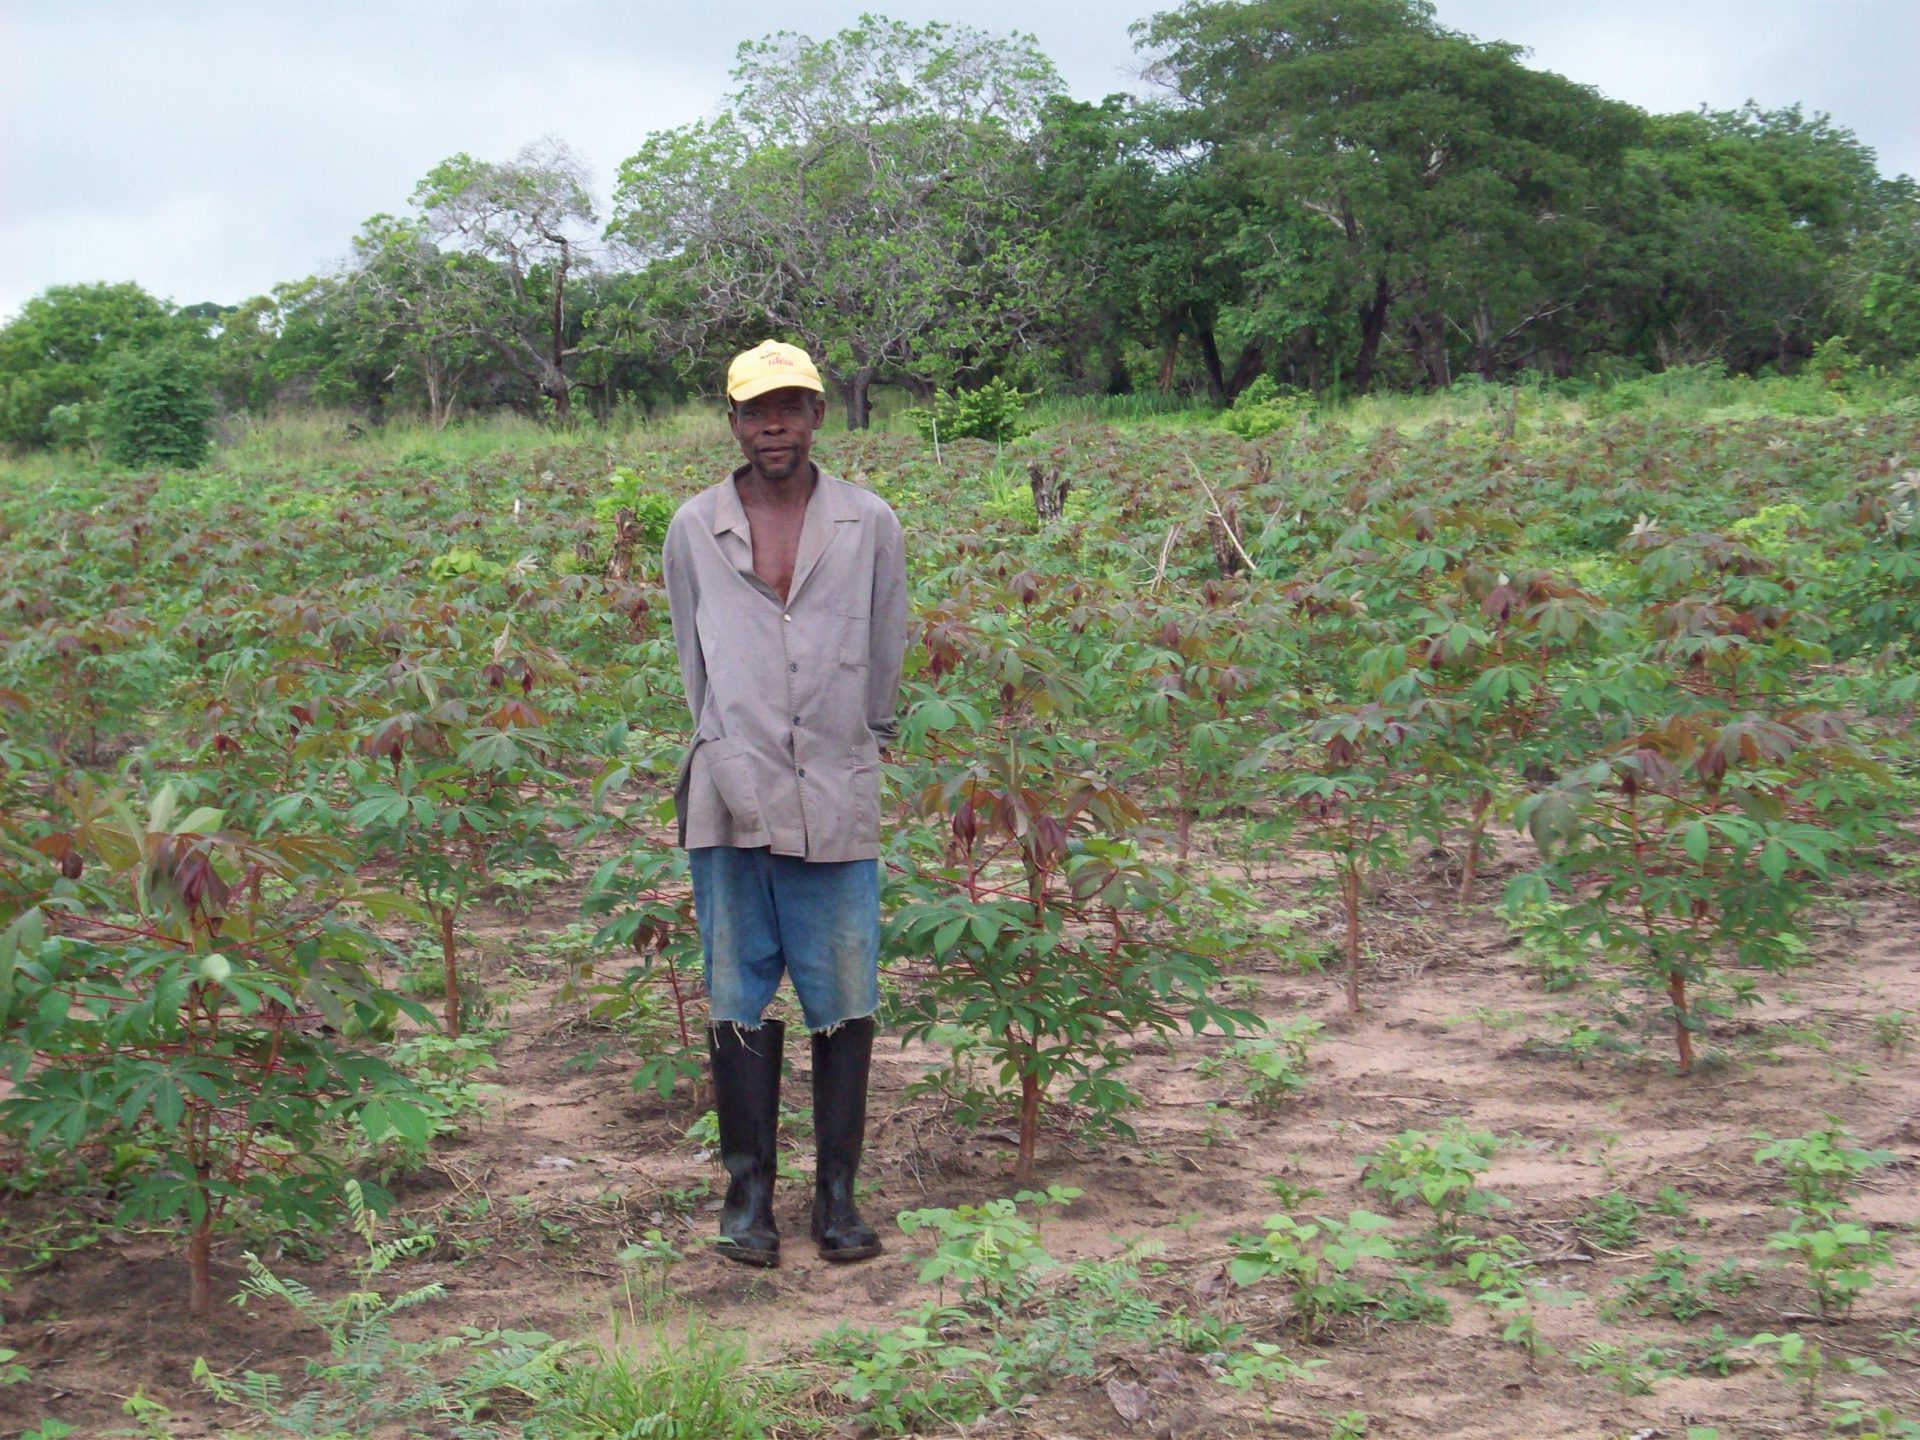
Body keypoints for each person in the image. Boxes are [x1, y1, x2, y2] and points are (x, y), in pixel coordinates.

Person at [661, 339, 908, 1267]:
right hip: (731, 789)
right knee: (737, 990)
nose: (774, 427)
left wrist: (857, 741)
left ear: (816, 416)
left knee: (842, 991)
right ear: (733, 422)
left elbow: (886, 648)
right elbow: (694, 659)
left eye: (790, 408)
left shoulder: (868, 522)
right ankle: (749, 1202)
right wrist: (727, 741)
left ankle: (837, 1201)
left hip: (837, 786)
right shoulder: (695, 527)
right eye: (756, 411)